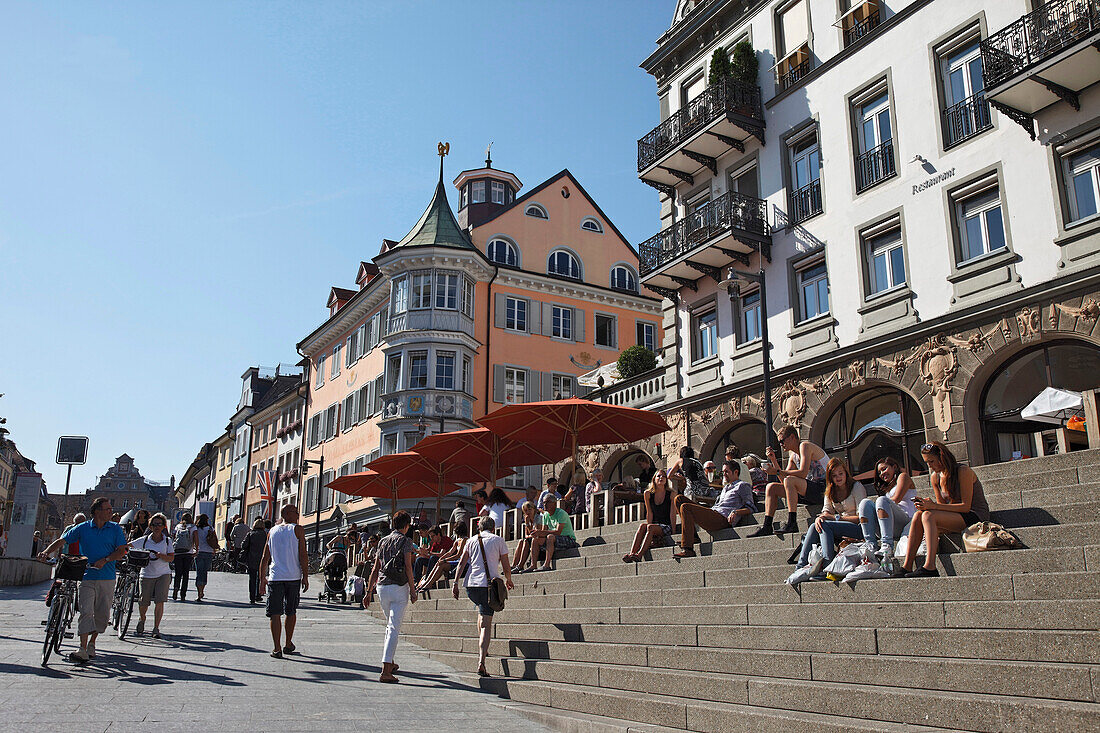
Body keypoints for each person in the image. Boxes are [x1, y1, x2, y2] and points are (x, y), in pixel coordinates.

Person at [37, 497, 128, 663]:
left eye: (110, 509)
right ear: (97, 511)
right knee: (86, 611)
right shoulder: (83, 528)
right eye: (107, 509)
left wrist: (106, 560)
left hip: (107, 577)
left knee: (102, 615)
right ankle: (82, 648)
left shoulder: (115, 529)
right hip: (86, 576)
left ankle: (92, 643)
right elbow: (62, 540)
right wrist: (46, 552)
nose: (110, 511)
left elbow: (121, 551)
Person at [898, 441, 989, 578]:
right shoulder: (935, 477)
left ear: (942, 457)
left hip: (974, 516)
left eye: (932, 461)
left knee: (928, 515)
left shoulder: (963, 471)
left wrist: (933, 506)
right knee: (919, 515)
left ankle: (930, 566)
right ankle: (907, 565)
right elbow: (941, 508)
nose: (929, 466)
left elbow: (965, 506)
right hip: (955, 516)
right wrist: (927, 506)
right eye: (927, 462)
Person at [452, 516, 514, 677]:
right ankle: (481, 661)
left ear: (479, 527)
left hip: (471, 585)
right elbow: (506, 565)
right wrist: (509, 579)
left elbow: (462, 563)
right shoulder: (498, 540)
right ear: (493, 528)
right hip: (488, 586)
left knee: (481, 612)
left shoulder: (471, 541)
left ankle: (483, 647)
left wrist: (455, 583)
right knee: (487, 623)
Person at [364, 510, 417, 682]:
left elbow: (375, 568)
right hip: (399, 587)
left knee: (389, 625)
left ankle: (391, 661)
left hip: (381, 587)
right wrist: (413, 589)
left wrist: (368, 591)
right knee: (394, 627)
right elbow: (409, 567)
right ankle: (386, 670)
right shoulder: (406, 541)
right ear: (407, 525)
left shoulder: (383, 541)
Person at [749, 426, 830, 537]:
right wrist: (774, 461)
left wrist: (777, 471)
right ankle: (767, 526)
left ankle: (792, 522)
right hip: (809, 490)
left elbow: (802, 473)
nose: (781, 445)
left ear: (792, 437)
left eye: (782, 441)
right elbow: (784, 481)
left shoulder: (805, 446)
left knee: (790, 480)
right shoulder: (793, 456)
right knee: (771, 487)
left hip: (825, 489)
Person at [793, 458, 867, 571]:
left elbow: (861, 518)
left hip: (858, 527)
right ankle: (800, 566)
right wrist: (820, 518)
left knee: (826, 525)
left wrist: (836, 518)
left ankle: (828, 565)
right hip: (840, 527)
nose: (838, 477)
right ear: (830, 477)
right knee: (815, 525)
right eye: (834, 475)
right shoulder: (830, 490)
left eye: (841, 473)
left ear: (846, 473)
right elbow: (826, 511)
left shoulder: (856, 487)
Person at [673, 461, 755, 558]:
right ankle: (693, 537)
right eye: (723, 472)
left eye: (726, 472)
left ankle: (688, 549)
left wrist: (736, 512)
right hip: (714, 512)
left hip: (723, 518)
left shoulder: (743, 486)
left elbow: (751, 507)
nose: (724, 474)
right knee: (678, 499)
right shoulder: (726, 488)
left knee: (686, 507)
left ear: (736, 472)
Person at [259, 504, 309, 658]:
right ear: (287, 513)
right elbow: (302, 555)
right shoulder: (297, 529)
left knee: (275, 613)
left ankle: (277, 648)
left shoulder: (272, 531)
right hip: (293, 577)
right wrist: (305, 576)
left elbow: (265, 557)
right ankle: (287, 643)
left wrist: (262, 579)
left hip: (275, 577)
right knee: (290, 611)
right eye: (296, 511)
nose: (298, 514)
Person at [858, 456, 918, 560]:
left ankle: (887, 545)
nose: (882, 474)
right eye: (879, 472)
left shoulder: (903, 477)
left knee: (881, 500)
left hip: (906, 522)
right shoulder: (886, 488)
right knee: (865, 503)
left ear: (894, 467)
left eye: (884, 469)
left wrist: (881, 503)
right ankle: (871, 545)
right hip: (888, 525)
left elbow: (896, 499)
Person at [133, 512, 174, 638]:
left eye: (159, 524)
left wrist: (161, 556)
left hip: (163, 574)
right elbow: (128, 546)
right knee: (143, 601)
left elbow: (171, 558)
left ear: (163, 526)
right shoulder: (145, 540)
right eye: (154, 524)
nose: (157, 526)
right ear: (150, 526)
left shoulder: (167, 541)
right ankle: (142, 618)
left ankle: (156, 628)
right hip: (146, 574)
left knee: (160, 601)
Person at [622, 469, 676, 562]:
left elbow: (672, 513)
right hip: (654, 524)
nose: (661, 478)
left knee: (650, 527)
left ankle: (639, 555)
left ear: (666, 480)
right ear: (654, 479)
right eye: (659, 476)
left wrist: (674, 531)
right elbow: (649, 512)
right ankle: (632, 554)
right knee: (643, 526)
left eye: (663, 476)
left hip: (666, 525)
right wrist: (648, 528)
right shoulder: (648, 494)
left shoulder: (671, 494)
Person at [417, 522, 469, 592]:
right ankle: (426, 582)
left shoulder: (465, 540)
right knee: (438, 563)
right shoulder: (457, 541)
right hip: (457, 562)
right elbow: (449, 552)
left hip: (463, 563)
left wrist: (444, 560)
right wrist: (441, 558)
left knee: (442, 564)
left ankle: (429, 584)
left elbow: (458, 555)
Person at [530, 495, 577, 571]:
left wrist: (541, 532)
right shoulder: (545, 515)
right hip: (553, 539)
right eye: (544, 502)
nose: (545, 504)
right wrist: (537, 534)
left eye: (547, 502)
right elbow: (543, 531)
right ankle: (533, 565)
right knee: (535, 540)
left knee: (550, 537)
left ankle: (547, 565)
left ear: (554, 503)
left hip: (568, 539)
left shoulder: (561, 513)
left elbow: (558, 532)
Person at [192, 514, 219, 602]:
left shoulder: (196, 529)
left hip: (199, 552)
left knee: (199, 572)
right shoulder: (210, 528)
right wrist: (214, 550)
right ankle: (202, 590)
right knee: (204, 572)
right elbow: (215, 540)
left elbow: (193, 539)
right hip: (208, 552)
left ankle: (199, 592)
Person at [241, 517, 267, 604]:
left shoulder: (250, 534)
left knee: (252, 579)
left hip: (251, 559)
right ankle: (258, 595)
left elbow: (243, 545)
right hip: (262, 560)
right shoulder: (266, 535)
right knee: (260, 577)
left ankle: (252, 597)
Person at [511, 501, 543, 571]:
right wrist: (527, 523)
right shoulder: (527, 520)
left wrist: (528, 525)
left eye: (530, 509)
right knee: (521, 541)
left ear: (534, 509)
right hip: (532, 539)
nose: (528, 512)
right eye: (525, 510)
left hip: (540, 540)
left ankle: (520, 565)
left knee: (526, 541)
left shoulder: (538, 518)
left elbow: (536, 533)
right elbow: (526, 535)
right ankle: (514, 565)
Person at [171, 513, 196, 601]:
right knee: (186, 574)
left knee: (178, 573)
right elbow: (196, 539)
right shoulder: (193, 527)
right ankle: (183, 594)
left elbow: (173, 537)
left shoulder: (178, 526)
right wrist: (196, 550)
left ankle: (175, 589)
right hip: (188, 552)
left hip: (178, 552)